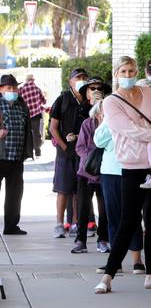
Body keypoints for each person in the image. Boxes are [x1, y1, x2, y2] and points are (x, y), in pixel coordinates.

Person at [94, 56, 151, 294]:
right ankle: (108, 275)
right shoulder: (111, 103)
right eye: (123, 71)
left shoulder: (149, 92)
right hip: (134, 167)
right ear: (116, 74)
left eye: (131, 70)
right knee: (128, 220)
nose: (128, 75)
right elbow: (131, 131)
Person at [93, 101, 145, 275]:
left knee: (133, 215)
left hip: (132, 168)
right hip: (110, 171)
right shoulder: (108, 120)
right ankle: (115, 262)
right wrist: (109, 121)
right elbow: (99, 140)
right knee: (113, 215)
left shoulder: (134, 117)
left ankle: (137, 260)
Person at [70, 77, 112, 254]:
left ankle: (103, 240)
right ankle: (81, 240)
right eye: (101, 111)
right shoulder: (88, 124)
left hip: (105, 172)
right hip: (86, 172)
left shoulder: (112, 125)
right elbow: (79, 147)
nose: (103, 114)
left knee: (104, 208)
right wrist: (92, 158)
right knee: (83, 207)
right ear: (96, 112)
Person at [50, 68, 91, 238]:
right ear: (70, 81)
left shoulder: (90, 101)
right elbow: (53, 127)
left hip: (84, 153)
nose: (81, 80)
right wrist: (64, 146)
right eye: (78, 78)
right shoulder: (62, 100)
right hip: (65, 153)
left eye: (84, 77)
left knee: (78, 190)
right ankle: (59, 224)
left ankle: (75, 223)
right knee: (63, 189)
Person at [0, 74, 33, 235]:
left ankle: (11, 226)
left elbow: (27, 128)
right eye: (9, 88)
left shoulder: (21, 104)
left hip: (17, 156)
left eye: (14, 88)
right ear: (1, 89)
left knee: (15, 194)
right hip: (0, 156)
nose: (12, 90)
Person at [19, 74, 46, 157]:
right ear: (33, 80)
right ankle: (37, 152)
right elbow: (44, 101)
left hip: (25, 115)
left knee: (26, 133)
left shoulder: (21, 89)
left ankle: (28, 152)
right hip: (36, 115)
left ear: (27, 80)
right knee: (36, 133)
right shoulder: (38, 89)